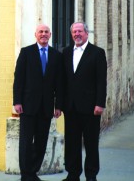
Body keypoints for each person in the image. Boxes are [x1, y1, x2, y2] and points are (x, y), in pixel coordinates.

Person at [13, 24, 63, 181]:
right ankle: (25, 174)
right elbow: (19, 79)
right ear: (35, 34)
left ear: (50, 35)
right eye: (40, 32)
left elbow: (59, 83)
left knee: (41, 142)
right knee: (26, 142)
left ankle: (33, 172)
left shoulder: (56, 55)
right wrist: (17, 101)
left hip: (46, 107)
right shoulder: (26, 53)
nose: (43, 34)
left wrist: (58, 105)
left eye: (46, 32)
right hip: (27, 105)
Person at [62, 22, 107, 181]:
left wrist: (100, 103)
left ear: (86, 33)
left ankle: (91, 175)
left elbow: (101, 81)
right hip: (71, 107)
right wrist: (60, 105)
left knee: (91, 143)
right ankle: (73, 174)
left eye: (80, 31)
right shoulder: (66, 52)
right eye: (74, 32)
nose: (77, 34)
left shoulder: (97, 53)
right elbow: (63, 81)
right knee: (72, 143)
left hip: (91, 108)